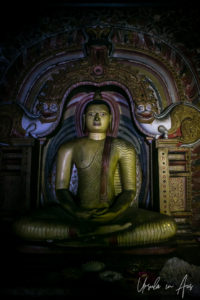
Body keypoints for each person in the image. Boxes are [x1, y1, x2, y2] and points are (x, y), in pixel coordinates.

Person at [13, 95, 177, 247]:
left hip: (115, 215)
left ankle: (87, 237)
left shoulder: (123, 148)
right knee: (22, 226)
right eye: (92, 114)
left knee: (167, 226)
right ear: (84, 118)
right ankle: (101, 236)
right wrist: (76, 211)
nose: (97, 118)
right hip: (76, 214)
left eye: (102, 114)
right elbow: (61, 189)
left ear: (110, 119)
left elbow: (129, 191)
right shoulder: (69, 148)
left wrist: (113, 212)